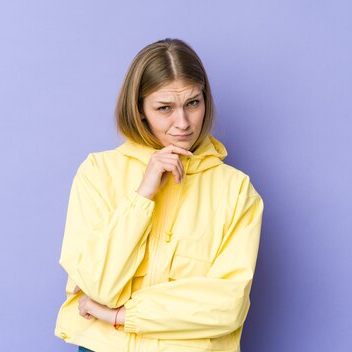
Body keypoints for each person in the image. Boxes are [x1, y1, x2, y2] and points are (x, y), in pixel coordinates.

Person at [54, 38, 264, 352]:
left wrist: (122, 316)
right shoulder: (98, 173)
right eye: (164, 108)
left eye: (193, 103)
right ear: (139, 110)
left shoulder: (236, 191)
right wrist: (143, 195)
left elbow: (227, 306)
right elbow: (99, 285)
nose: (183, 123)